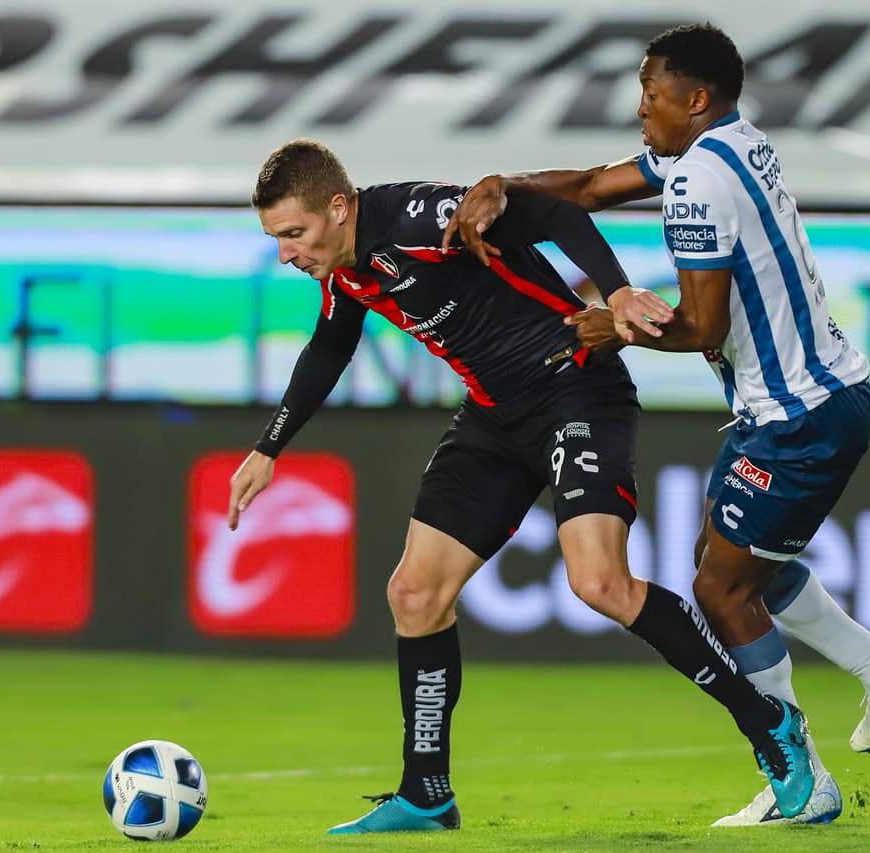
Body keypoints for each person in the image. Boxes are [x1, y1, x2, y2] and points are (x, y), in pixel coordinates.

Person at [227, 138, 815, 835]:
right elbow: (330, 346)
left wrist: (617, 287)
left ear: (337, 206)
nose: (287, 253)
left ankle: (769, 721)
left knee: (599, 582)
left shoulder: (419, 218)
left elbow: (551, 215)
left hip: (576, 390)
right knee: (414, 594)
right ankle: (427, 792)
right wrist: (269, 447)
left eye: (293, 234)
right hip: (494, 417)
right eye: (276, 239)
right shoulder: (347, 270)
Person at [443, 22, 870, 827]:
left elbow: (701, 328)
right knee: (735, 563)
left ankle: (800, 777)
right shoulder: (731, 144)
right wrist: (502, 182)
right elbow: (592, 187)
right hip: (806, 399)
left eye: (651, 92)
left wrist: (611, 323)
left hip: (797, 415)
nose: (640, 106)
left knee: (719, 588)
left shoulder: (694, 185)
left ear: (695, 98)